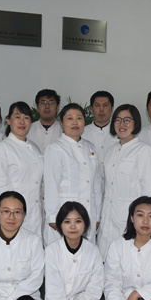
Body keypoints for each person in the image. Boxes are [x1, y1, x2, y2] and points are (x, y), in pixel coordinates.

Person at [97, 104, 151, 259]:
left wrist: (144, 220)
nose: (122, 124)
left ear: (135, 123)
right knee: (106, 259)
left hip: (129, 217)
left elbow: (148, 191)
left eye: (127, 120)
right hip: (108, 215)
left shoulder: (144, 150)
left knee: (127, 259)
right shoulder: (111, 150)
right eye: (118, 120)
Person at [44, 103, 103, 246]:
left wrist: (97, 216)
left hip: (89, 213)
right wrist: (53, 217)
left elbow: (97, 184)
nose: (75, 122)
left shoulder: (90, 147)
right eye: (70, 118)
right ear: (62, 123)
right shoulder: (55, 148)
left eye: (79, 118)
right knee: (63, 253)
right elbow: (51, 184)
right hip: (64, 215)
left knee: (86, 253)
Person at [0, 102, 44, 234]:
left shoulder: (34, 148)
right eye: (17, 117)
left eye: (26, 118)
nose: (22, 122)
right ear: (9, 120)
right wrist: (10, 213)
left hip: (35, 214)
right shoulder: (2, 148)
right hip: (12, 217)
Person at [82, 90, 116, 167]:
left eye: (105, 105)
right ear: (91, 109)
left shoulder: (119, 132)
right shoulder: (82, 133)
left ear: (112, 108)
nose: (101, 109)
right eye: (97, 105)